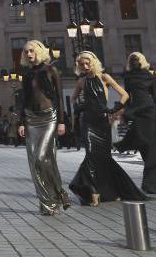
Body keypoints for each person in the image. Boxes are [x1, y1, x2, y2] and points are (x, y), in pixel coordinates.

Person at [68, 52, 146, 206]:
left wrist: (115, 108)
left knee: (103, 158)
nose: (85, 66)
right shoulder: (81, 82)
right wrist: (79, 106)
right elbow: (72, 99)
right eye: (81, 64)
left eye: (87, 63)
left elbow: (124, 95)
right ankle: (93, 191)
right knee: (90, 155)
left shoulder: (105, 78)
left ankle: (111, 190)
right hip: (88, 122)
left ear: (93, 62)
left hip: (102, 122)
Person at [16, 40, 71, 215]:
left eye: (31, 51)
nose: (29, 54)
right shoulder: (26, 75)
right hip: (31, 119)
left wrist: (62, 121)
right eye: (26, 52)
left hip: (49, 118)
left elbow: (60, 97)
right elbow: (23, 99)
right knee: (36, 162)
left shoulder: (51, 70)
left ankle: (59, 193)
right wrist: (21, 122)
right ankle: (48, 203)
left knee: (42, 158)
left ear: (38, 51)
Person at [116, 53, 156, 194]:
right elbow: (127, 96)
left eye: (137, 59)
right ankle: (152, 182)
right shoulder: (128, 76)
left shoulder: (149, 75)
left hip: (149, 111)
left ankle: (151, 183)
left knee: (151, 146)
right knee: (145, 145)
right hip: (136, 111)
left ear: (142, 61)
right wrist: (124, 112)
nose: (135, 61)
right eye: (132, 59)